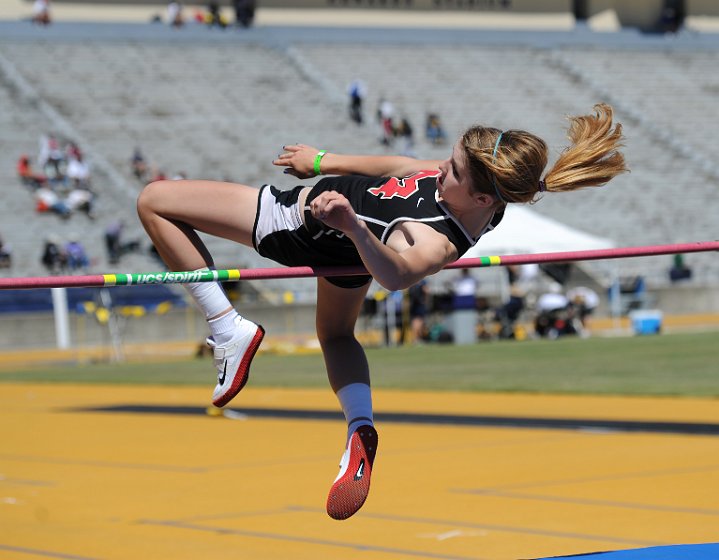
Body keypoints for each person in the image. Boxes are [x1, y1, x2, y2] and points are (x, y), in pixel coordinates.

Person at [136, 103, 627, 520]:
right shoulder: (481, 189)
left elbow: (395, 275)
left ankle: (226, 327)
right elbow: (403, 163)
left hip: (298, 221)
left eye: (452, 170)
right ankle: (360, 427)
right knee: (335, 336)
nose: (441, 171)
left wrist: (352, 226)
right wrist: (323, 159)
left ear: (479, 196)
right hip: (342, 244)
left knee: (155, 201)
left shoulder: (436, 239)